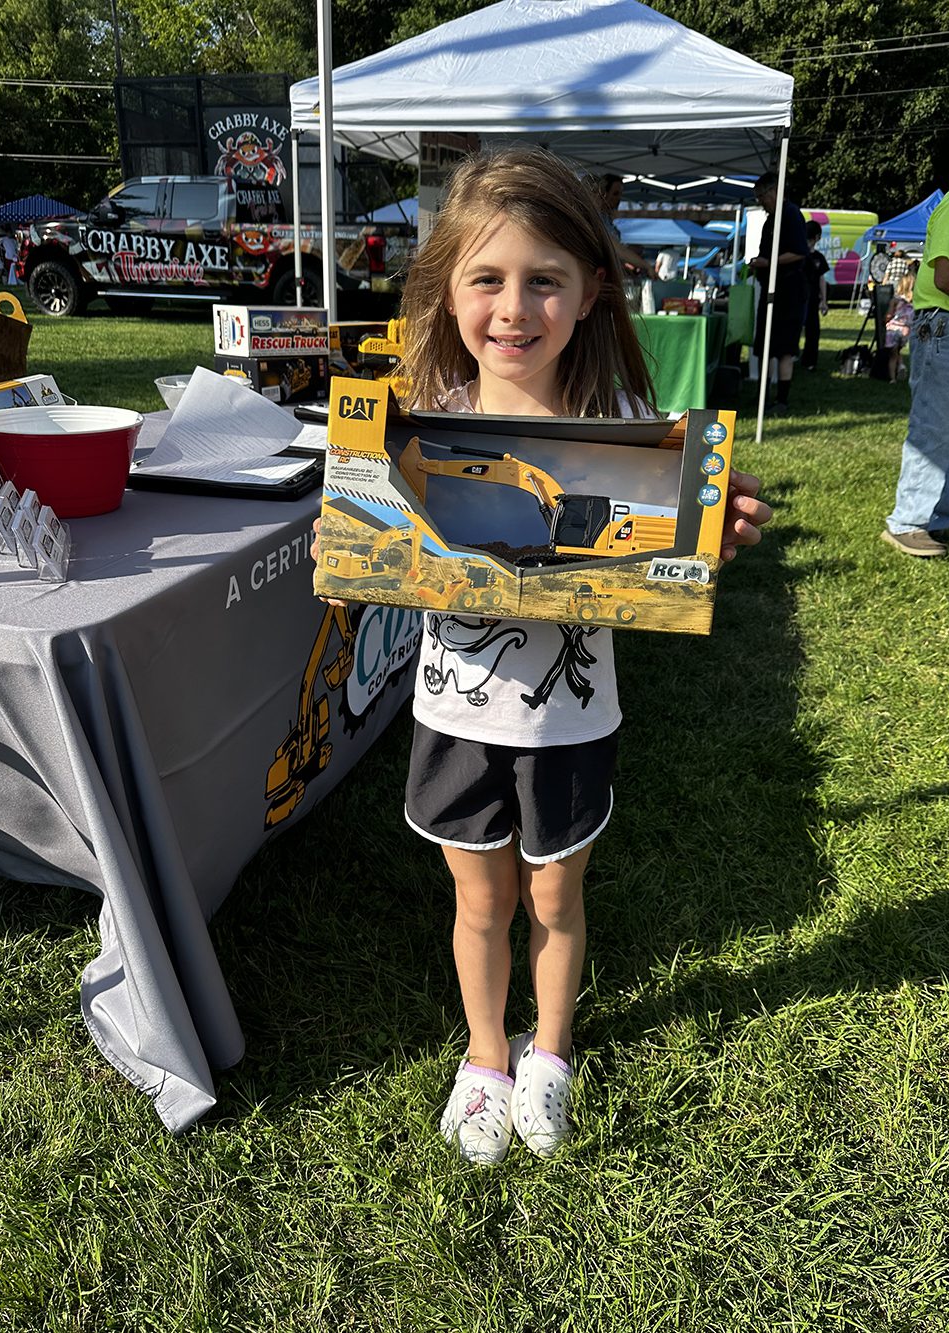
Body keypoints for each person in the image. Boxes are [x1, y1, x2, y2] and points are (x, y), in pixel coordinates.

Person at [313, 147, 771, 1165]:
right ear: (446, 289)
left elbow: (672, 561)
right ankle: (484, 1056)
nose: (512, 307)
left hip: (569, 720)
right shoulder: (410, 429)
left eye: (542, 280)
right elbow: (369, 570)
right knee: (478, 902)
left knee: (555, 897)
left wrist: (717, 538)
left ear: (591, 291)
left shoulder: (631, 442)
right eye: (486, 277)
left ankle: (549, 1050)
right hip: (454, 718)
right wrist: (345, 558)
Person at [884, 178, 949, 557]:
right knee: (938, 426)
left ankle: (930, 520)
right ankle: (908, 522)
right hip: (948, 324)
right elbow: (948, 276)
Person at [749, 171, 810, 414]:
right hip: (771, 288)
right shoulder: (771, 219)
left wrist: (768, 262)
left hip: (789, 291)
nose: (760, 202)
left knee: (784, 348)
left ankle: (782, 400)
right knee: (766, 346)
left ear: (773, 192)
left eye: (761, 196)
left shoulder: (791, 215)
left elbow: (799, 251)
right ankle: (763, 396)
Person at [591, 173, 654, 279]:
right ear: (603, 194)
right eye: (615, 194)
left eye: (620, 194)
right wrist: (646, 266)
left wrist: (626, 269)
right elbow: (616, 249)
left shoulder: (607, 220)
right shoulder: (596, 220)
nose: (619, 199)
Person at [800, 220, 830, 371]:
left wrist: (823, 300)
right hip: (801, 297)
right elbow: (821, 280)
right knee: (802, 329)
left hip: (810, 299)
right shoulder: (800, 255)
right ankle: (800, 358)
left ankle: (809, 360)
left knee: (812, 331)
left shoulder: (817, 257)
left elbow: (821, 279)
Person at [883, 267, 915, 384]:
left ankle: (892, 378)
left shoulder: (895, 300)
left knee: (892, 354)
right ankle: (901, 365)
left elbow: (889, 315)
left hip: (893, 328)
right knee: (898, 351)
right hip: (906, 330)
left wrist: (885, 319)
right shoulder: (913, 301)